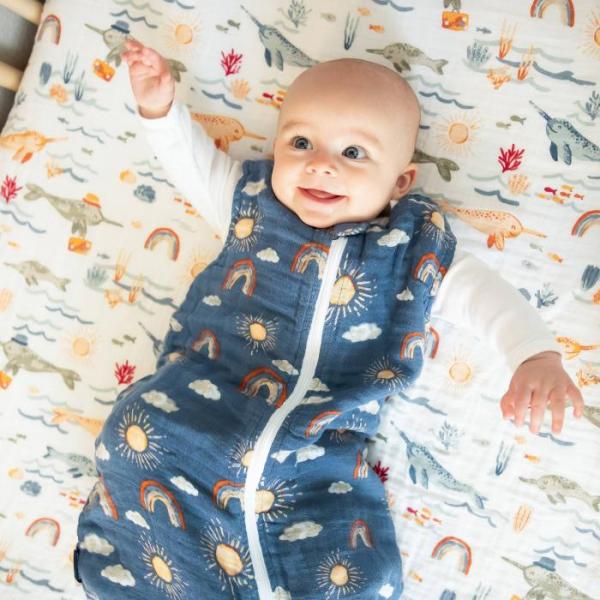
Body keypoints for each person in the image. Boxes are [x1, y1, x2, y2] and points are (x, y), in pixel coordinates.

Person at [73, 39, 584, 600]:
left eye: (354, 153)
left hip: (310, 457)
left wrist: (534, 355)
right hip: (194, 413)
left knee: (351, 570)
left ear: (400, 183)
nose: (320, 163)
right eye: (300, 142)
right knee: (134, 433)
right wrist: (160, 109)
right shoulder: (250, 205)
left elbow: (485, 298)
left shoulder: (410, 254)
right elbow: (191, 165)